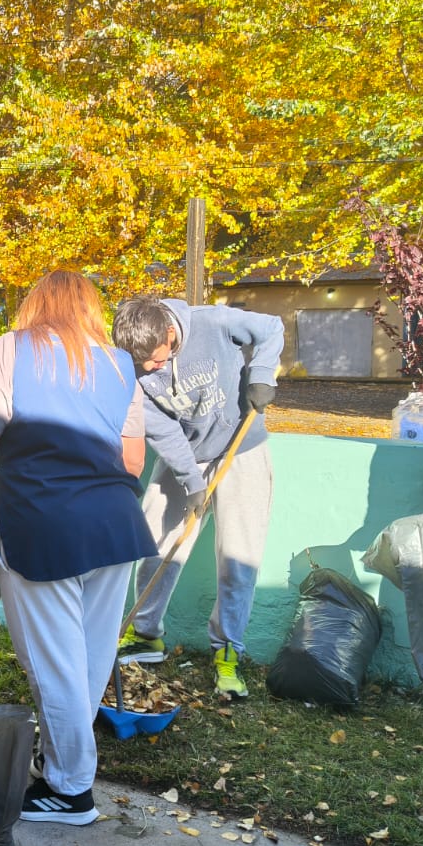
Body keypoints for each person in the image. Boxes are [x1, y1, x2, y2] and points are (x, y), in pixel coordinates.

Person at [0, 272, 154, 824]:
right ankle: (65, 769)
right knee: (87, 658)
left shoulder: (12, 350)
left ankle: (70, 791)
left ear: (36, 304)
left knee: (52, 664)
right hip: (116, 528)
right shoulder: (120, 365)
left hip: (43, 525)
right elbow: (133, 460)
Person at [111, 296, 284, 698]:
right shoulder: (134, 368)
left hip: (243, 448)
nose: (148, 370)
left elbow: (271, 326)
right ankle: (146, 635)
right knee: (156, 543)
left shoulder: (214, 323)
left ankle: (228, 652)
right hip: (185, 455)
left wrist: (261, 374)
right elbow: (162, 431)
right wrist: (192, 481)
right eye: (141, 364)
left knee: (238, 557)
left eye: (154, 360)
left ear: (171, 334)